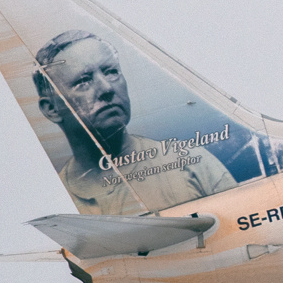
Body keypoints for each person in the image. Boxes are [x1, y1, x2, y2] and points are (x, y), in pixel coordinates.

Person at [33, 30, 237, 214]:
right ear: (52, 109)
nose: (106, 89)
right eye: (83, 81)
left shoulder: (190, 162)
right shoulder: (60, 202)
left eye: (111, 72)